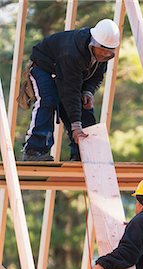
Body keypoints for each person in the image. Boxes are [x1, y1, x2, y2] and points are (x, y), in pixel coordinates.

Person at [21, 19, 120, 162]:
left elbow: (96, 77)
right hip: (43, 68)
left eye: (108, 53)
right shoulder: (72, 52)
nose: (104, 55)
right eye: (102, 51)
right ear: (93, 43)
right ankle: (35, 151)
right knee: (48, 100)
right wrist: (76, 125)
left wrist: (88, 92)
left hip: (66, 74)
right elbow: (69, 90)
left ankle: (83, 154)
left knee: (83, 106)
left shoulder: (102, 56)